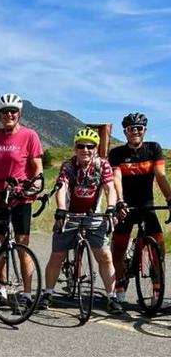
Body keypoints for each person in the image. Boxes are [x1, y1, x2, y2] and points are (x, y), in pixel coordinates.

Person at [40, 128, 120, 313]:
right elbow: (62, 187)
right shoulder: (68, 166)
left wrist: (111, 207)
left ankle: (112, 297)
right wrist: (60, 210)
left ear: (96, 148)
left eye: (90, 146)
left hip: (94, 216)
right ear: (75, 148)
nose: (85, 149)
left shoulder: (103, 165)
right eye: (81, 146)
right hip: (70, 215)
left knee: (105, 257)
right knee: (57, 255)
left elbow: (109, 188)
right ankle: (48, 293)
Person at [0, 93, 44, 305]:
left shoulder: (30, 135)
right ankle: (2, 289)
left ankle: (27, 292)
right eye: (5, 111)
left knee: (21, 244)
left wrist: (34, 187)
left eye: (13, 111)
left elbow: (37, 168)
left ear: (19, 114)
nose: (9, 114)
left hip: (20, 197)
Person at [109, 112, 170, 300]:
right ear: (125, 132)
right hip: (125, 205)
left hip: (146, 205)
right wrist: (119, 200)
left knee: (158, 249)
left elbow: (160, 175)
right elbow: (116, 178)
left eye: (139, 128)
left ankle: (157, 289)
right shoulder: (117, 153)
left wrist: (169, 199)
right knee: (117, 250)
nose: (135, 131)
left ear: (145, 130)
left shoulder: (153, 149)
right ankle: (119, 286)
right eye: (131, 129)